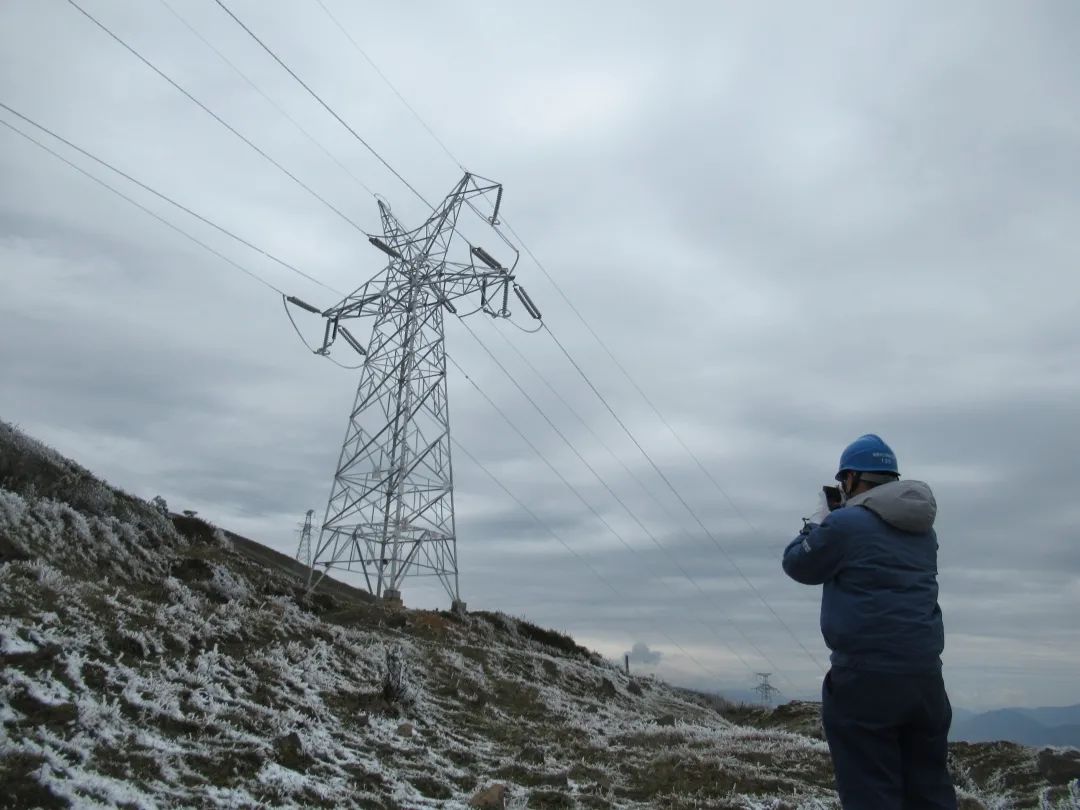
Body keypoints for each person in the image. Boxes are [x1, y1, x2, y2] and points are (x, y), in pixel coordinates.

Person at [782, 434, 957, 810]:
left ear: (852, 479)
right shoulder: (924, 531)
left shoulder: (844, 525)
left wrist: (817, 523)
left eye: (844, 481)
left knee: (871, 791)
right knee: (929, 789)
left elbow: (798, 564)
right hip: (926, 678)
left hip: (866, 679)